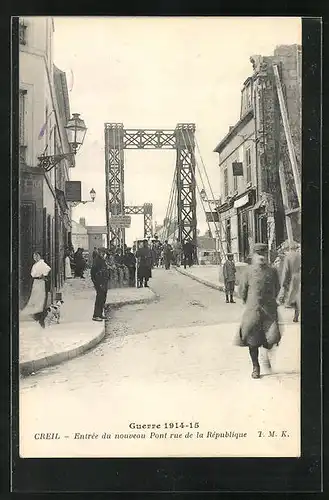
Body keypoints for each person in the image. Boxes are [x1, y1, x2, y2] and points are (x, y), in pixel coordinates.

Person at [235, 243, 281, 379]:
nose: (261, 257)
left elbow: (277, 288)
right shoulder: (247, 272)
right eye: (258, 254)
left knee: (272, 337)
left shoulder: (272, 271)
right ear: (254, 256)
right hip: (253, 311)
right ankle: (256, 366)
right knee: (252, 340)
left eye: (264, 254)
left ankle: (266, 356)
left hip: (269, 311)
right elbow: (242, 290)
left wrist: (271, 301)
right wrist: (248, 302)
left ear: (266, 255)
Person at [22, 252, 51, 328]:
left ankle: (40, 315)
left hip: (41, 282)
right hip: (36, 282)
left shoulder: (42, 263)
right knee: (35, 297)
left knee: (40, 297)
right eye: (34, 256)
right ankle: (37, 314)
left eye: (36, 256)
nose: (35, 258)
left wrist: (43, 275)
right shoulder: (35, 265)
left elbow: (47, 269)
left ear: (39, 256)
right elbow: (32, 274)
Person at [277, 243, 301, 322]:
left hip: (293, 279)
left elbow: (285, 270)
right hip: (300, 278)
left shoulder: (288, 257)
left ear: (289, 248)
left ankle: (292, 308)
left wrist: (283, 282)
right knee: (298, 296)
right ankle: (296, 314)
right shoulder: (299, 255)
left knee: (292, 297)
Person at [90, 247, 109, 321]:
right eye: (102, 252)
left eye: (104, 252)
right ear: (99, 252)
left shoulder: (102, 260)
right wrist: (97, 283)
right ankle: (96, 315)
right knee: (99, 298)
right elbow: (93, 273)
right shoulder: (97, 260)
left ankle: (100, 314)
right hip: (99, 282)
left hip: (103, 282)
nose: (103, 254)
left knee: (103, 298)